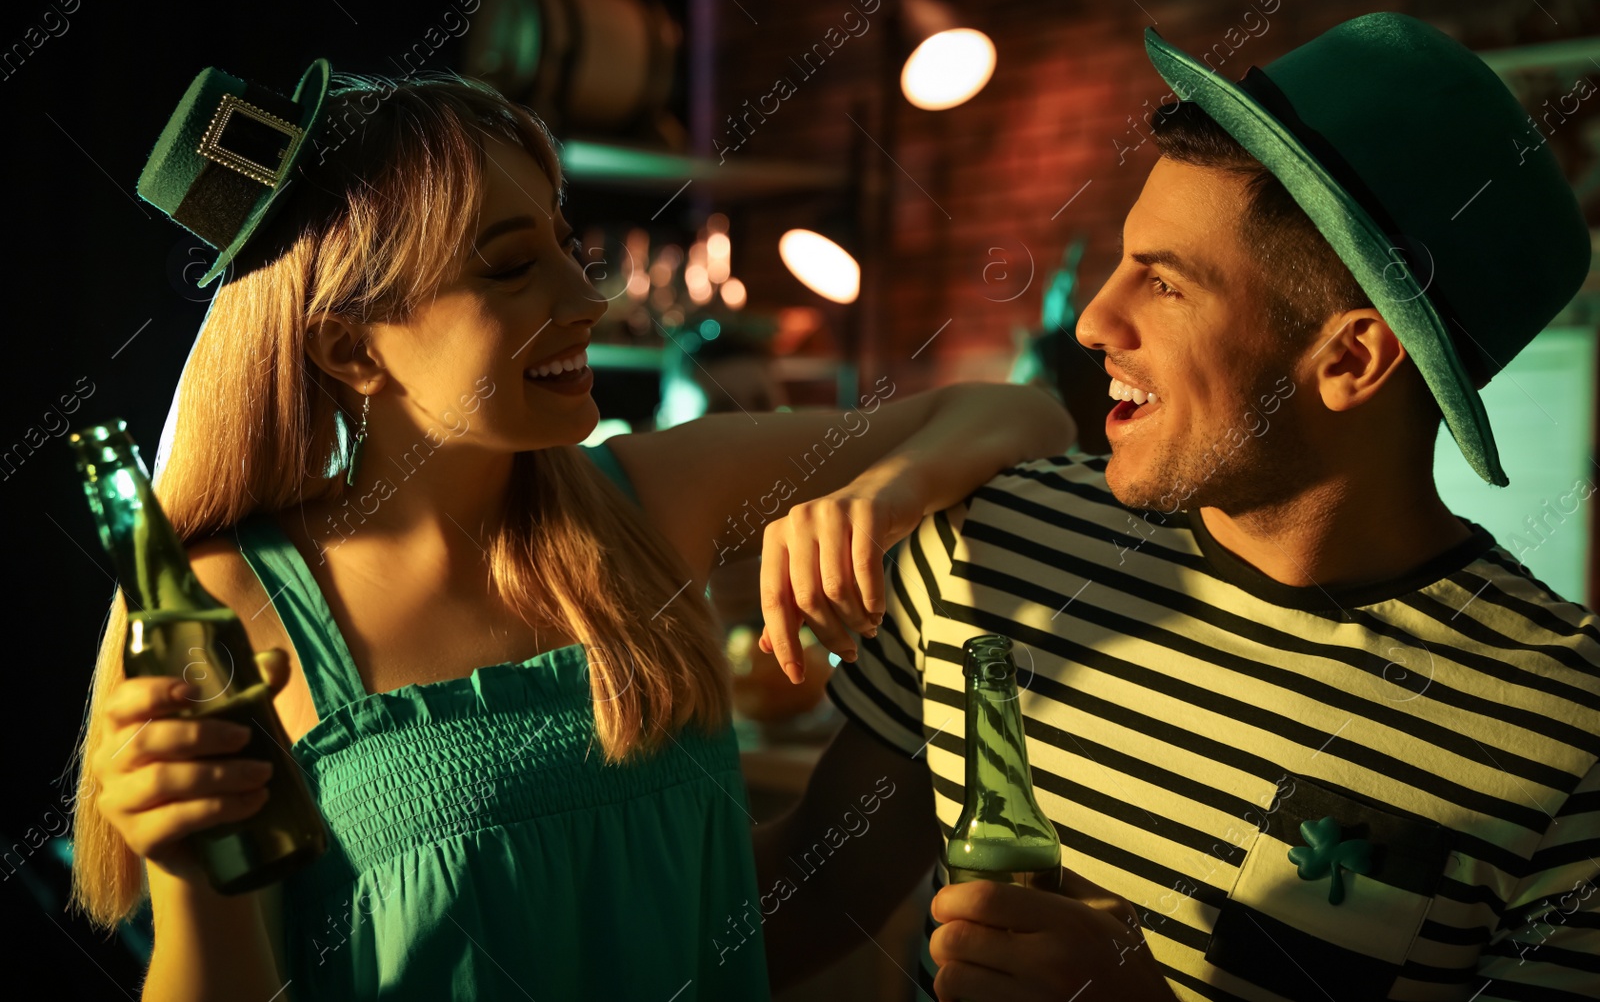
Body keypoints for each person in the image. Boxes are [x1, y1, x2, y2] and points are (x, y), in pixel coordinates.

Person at [67, 61, 1077, 1001]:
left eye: (563, 241)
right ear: (350, 345)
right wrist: (187, 863)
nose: (585, 296)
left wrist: (883, 493)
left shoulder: (653, 495)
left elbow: (1021, 417)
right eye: (510, 269)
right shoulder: (218, 607)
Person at [753, 12, 1600, 1000]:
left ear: (1350, 357)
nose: (1094, 319)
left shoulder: (1564, 738)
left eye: (1163, 283)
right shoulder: (989, 552)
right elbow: (790, 912)